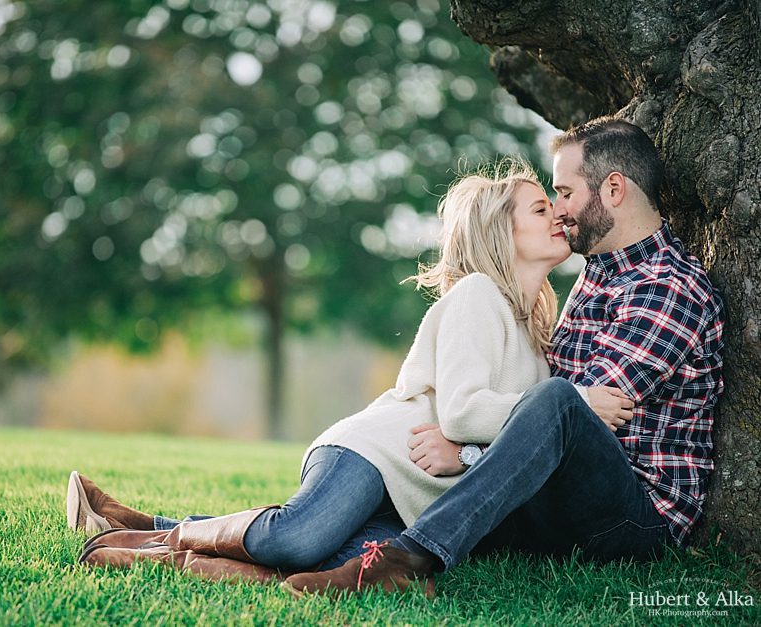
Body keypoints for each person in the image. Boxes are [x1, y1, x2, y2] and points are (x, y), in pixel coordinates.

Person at [68, 161, 616, 582]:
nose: (560, 217)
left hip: (414, 501)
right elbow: (463, 410)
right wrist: (580, 402)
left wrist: (469, 452)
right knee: (297, 541)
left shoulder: (534, 332)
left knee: (339, 569)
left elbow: (508, 445)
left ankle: (157, 542)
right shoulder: (479, 297)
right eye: (541, 208)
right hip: (377, 455)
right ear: (501, 231)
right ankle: (157, 534)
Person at [281, 116, 725, 596]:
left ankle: (415, 560)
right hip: (553, 503)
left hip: (632, 519)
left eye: (565, 192)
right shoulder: (596, 275)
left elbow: (579, 420)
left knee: (560, 398)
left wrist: (469, 455)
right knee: (369, 519)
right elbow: (545, 421)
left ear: (613, 189)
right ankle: (258, 559)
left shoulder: (666, 289)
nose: (559, 209)